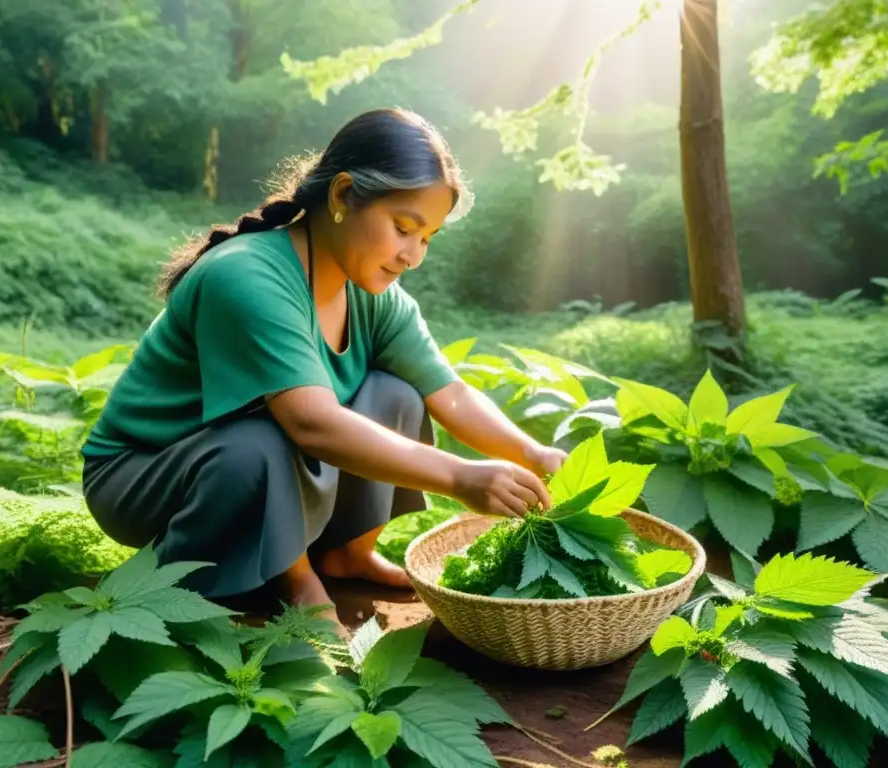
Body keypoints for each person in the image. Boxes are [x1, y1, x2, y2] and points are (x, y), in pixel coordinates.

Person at [80, 107, 567, 623]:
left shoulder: (373, 293)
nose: (413, 255)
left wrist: (534, 454)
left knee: (397, 393)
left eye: (427, 238)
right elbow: (309, 423)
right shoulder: (247, 276)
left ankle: (347, 554)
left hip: (247, 456)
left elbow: (449, 393)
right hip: (145, 473)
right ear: (341, 196)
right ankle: (295, 580)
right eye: (404, 228)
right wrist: (461, 477)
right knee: (261, 434)